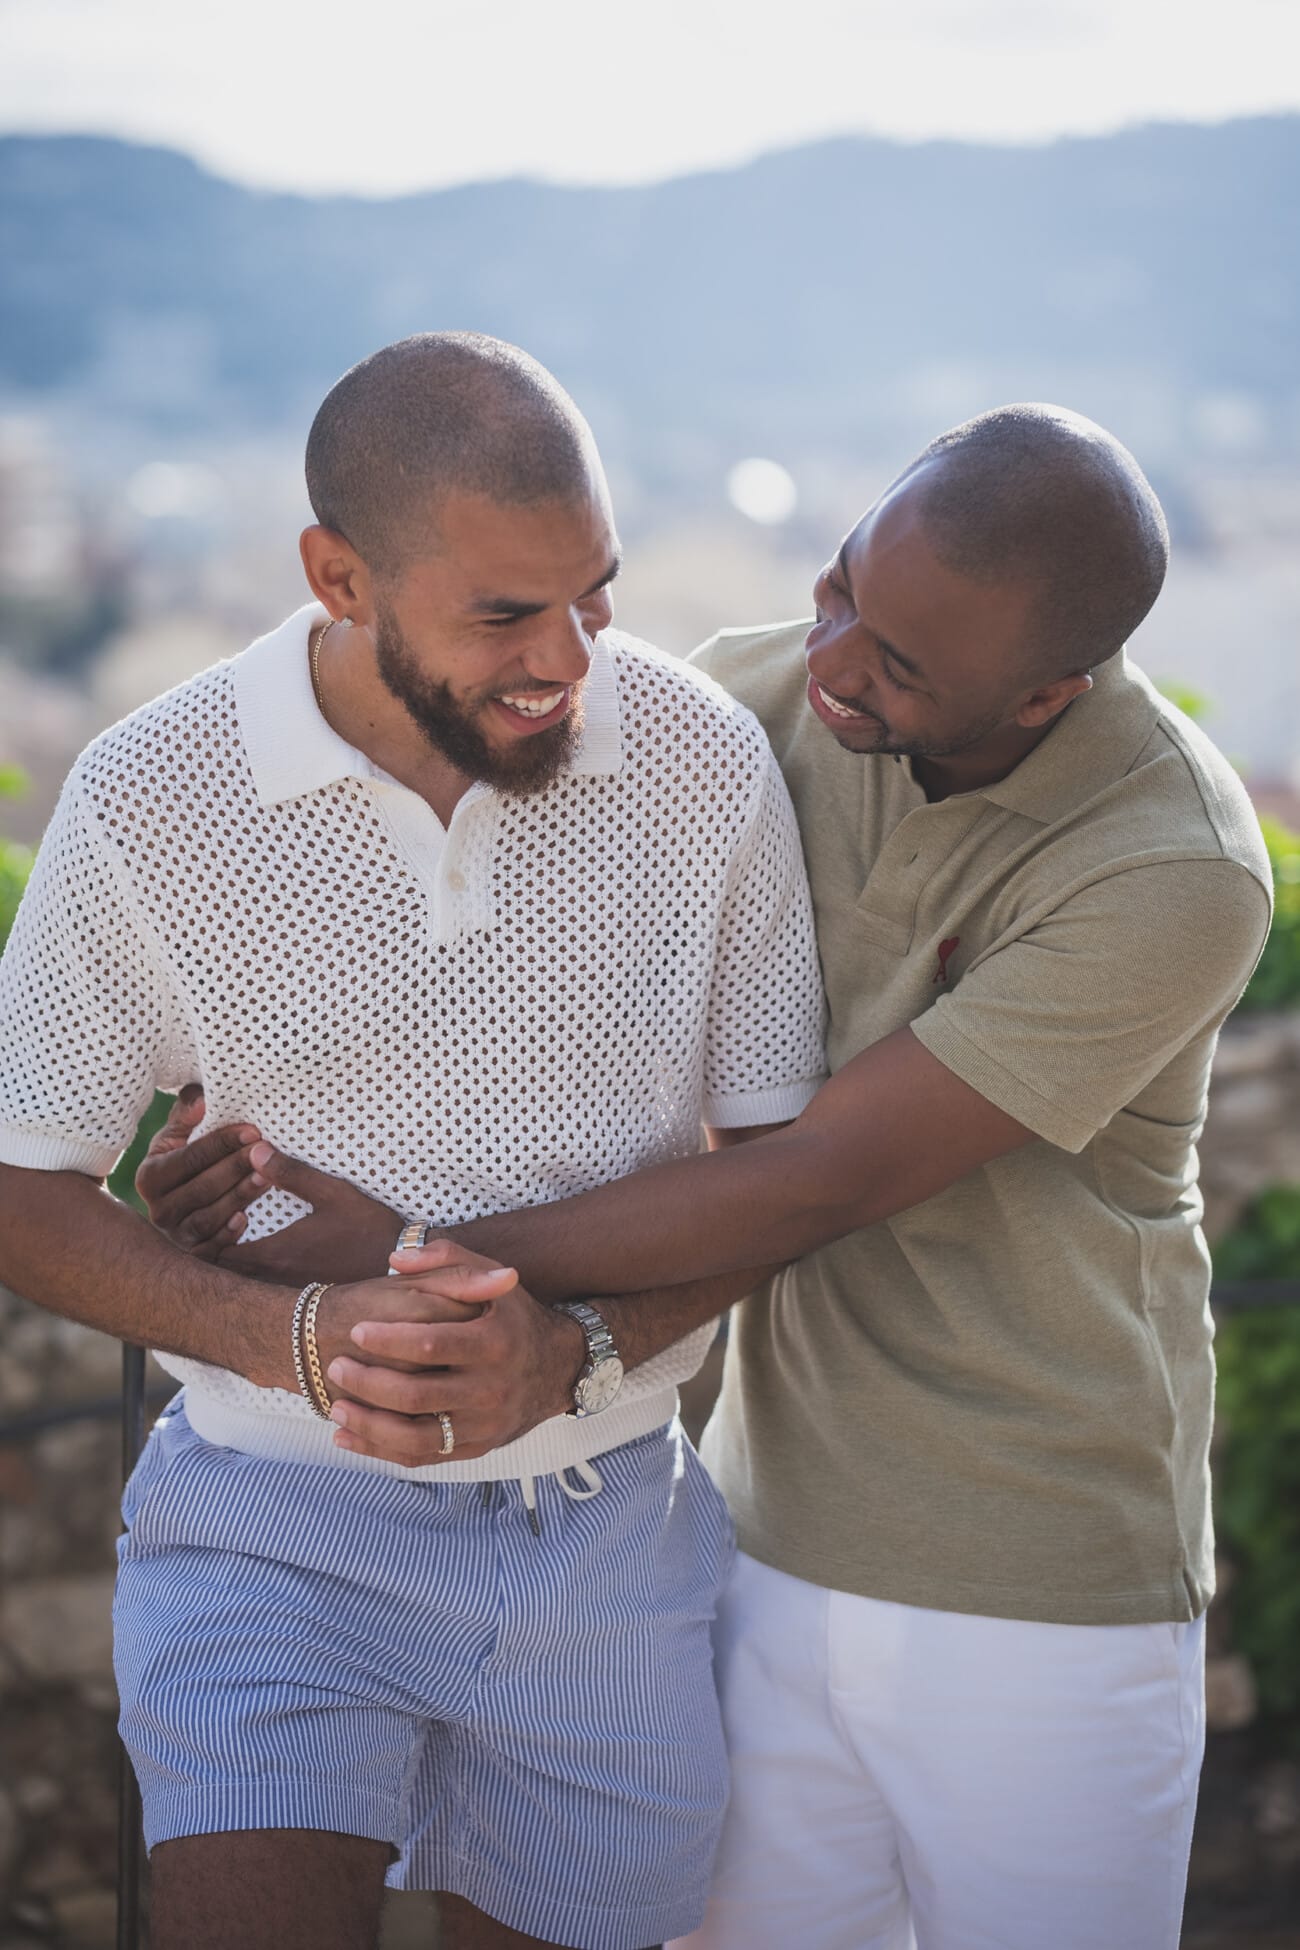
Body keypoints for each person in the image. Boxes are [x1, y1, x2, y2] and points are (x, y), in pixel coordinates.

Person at [147, 404, 1274, 1950]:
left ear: (1046, 693)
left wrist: (405, 1245)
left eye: (898, 668)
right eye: (838, 591)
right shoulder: (756, 698)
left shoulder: (1173, 863)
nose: (832, 664)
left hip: (1042, 1587)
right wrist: (250, 1101)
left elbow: (819, 1173)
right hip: (752, 1545)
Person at [0, 332, 829, 1950]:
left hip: (608, 1533)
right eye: (504, 614)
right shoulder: (147, 794)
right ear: (337, 575)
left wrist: (577, 1351)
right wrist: (294, 1336)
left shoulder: (703, 763)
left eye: (593, 593)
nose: (570, 659)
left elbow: (775, 1177)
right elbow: (21, 1183)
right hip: (270, 1524)